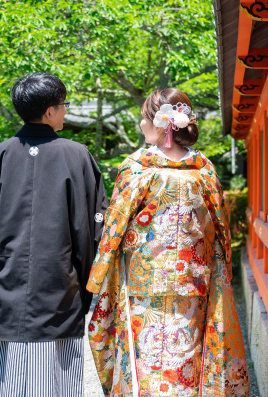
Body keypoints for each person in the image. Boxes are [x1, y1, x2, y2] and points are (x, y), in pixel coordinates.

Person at [87, 88, 249, 397]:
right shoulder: (205, 171)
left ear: (164, 125)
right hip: (193, 284)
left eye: (145, 118)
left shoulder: (136, 168)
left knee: (145, 357)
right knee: (189, 355)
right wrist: (221, 269)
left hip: (143, 285)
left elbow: (114, 226)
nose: (140, 124)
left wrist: (99, 272)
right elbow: (222, 231)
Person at [0, 72, 108, 397]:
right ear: (50, 112)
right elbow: (91, 232)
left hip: (6, 293)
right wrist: (84, 290)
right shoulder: (77, 155)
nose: (65, 111)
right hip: (58, 291)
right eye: (63, 105)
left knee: (4, 385)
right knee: (56, 384)